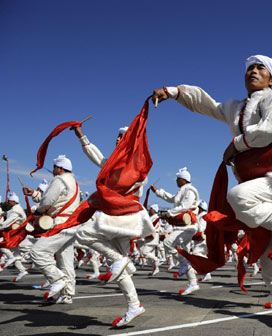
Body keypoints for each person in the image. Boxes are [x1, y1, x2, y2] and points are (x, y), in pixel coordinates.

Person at [151, 54, 272, 336]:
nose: (253, 72)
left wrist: (238, 145)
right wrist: (175, 91)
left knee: (238, 196)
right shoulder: (236, 108)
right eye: (249, 68)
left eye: (261, 69)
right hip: (262, 192)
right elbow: (206, 104)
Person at [72, 124, 154, 325]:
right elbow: (98, 158)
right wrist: (82, 136)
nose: (118, 140)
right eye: (117, 137)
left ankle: (121, 260)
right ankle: (134, 305)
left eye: (123, 138)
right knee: (119, 267)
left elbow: (122, 182)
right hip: (118, 215)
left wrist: (99, 197)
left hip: (125, 214)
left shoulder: (136, 162)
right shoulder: (116, 161)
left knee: (83, 234)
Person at [29, 155, 81, 304]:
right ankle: (68, 294)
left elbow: (48, 200)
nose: (53, 171)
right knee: (65, 260)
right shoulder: (75, 183)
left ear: (60, 168)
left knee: (37, 252)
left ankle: (58, 279)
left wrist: (38, 211)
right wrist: (34, 194)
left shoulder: (59, 180)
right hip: (72, 224)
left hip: (60, 223)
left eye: (54, 168)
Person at [151, 167, 201, 295]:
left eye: (178, 179)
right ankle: (193, 283)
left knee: (167, 243)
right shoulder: (182, 190)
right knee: (182, 252)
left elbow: (185, 206)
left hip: (189, 226)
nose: (176, 181)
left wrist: (168, 214)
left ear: (184, 180)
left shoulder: (190, 191)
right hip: (182, 226)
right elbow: (172, 199)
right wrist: (158, 192)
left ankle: (185, 264)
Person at [0, 192, 29, 281]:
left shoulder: (16, 211)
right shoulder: (15, 209)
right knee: (15, 253)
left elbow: (7, 222)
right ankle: (22, 270)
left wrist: (1, 226)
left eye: (9, 201)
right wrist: (2, 214)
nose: (8, 202)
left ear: (14, 201)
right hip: (16, 234)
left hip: (17, 234)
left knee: (1, 244)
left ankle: (10, 257)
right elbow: (7, 214)